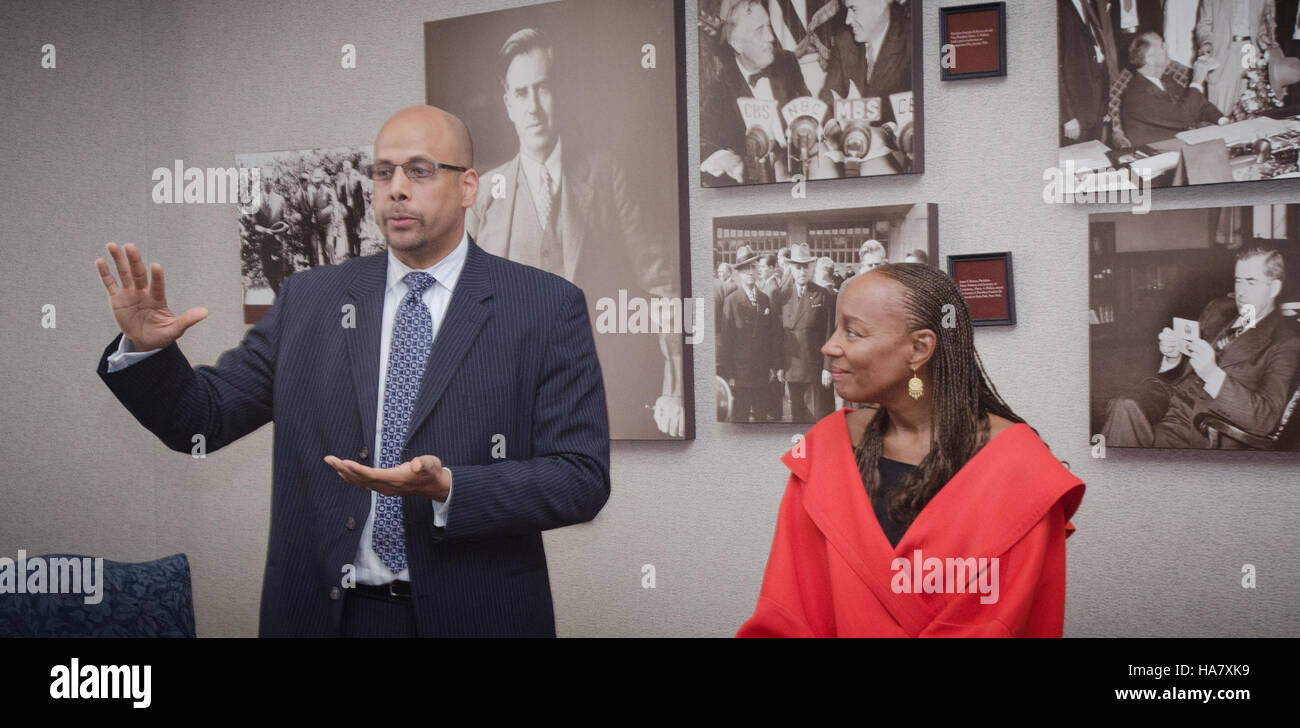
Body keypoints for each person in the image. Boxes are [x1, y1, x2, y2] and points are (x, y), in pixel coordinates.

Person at [94, 105, 611, 637]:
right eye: (384, 172)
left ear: (468, 186)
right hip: (328, 616)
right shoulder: (309, 299)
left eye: (421, 170)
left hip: (474, 614)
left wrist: (450, 486)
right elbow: (203, 419)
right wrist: (146, 349)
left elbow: (581, 478)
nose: (397, 189)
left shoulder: (545, 307)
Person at [737, 263, 1085, 636]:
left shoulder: (1021, 471)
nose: (829, 346)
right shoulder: (824, 450)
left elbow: (1003, 624)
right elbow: (786, 609)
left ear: (919, 348)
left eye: (852, 333)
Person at [467, 28, 684, 438]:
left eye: (543, 89)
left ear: (559, 93)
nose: (533, 107)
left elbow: (664, 286)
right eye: (521, 93)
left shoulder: (607, 174)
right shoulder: (483, 195)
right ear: (508, 104)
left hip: (604, 401)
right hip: (507, 413)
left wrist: (674, 389)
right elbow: (462, 313)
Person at [1102, 246, 1300, 449]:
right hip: (1169, 404)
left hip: (1204, 430)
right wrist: (1172, 357)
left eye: (1251, 282)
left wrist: (1212, 374)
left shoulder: (1285, 344)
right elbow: (1179, 374)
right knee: (1123, 406)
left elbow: (1266, 419)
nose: (1241, 292)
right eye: (1238, 280)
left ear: (1274, 288)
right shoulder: (1218, 309)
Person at [701, 0, 812, 185]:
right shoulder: (719, 88)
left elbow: (807, 111)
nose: (770, 37)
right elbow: (699, 141)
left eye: (768, 26)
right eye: (759, 30)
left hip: (800, 172)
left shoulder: (787, 62)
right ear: (737, 45)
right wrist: (725, 159)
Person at [1120, 32, 1227, 148]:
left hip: (1182, 146)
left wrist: (1223, 120)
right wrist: (1197, 80)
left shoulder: (1166, 80)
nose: (1167, 47)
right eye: (1162, 46)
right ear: (1150, 59)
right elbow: (1182, 117)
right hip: (1157, 156)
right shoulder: (1136, 96)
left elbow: (1199, 105)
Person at [720, 246, 782, 422]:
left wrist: (773, 366)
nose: (749, 272)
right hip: (740, 375)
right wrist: (729, 374)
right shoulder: (731, 301)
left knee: (761, 418)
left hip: (762, 373)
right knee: (740, 418)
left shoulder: (764, 299)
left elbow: (771, 336)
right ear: (738, 273)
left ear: (757, 271)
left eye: (753, 268)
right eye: (745, 269)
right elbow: (726, 341)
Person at [777, 244, 836, 423]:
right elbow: (778, 335)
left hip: (815, 369)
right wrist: (779, 365)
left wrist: (827, 367)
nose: (802, 271)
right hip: (792, 367)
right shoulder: (782, 296)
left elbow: (829, 333)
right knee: (797, 418)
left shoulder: (822, 294)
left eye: (805, 266)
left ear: (811, 268)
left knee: (817, 418)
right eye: (798, 267)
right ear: (791, 269)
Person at [1196, 0, 1278, 118]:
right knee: (1221, 109)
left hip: (1250, 50)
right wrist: (1206, 42)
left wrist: (1264, 38)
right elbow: (1204, 24)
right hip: (1223, 53)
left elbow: (1262, 26)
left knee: (1251, 106)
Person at [1059, 0, 1113, 145]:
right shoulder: (1059, 8)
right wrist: (1067, 117)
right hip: (1075, 117)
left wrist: (1104, 106)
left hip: (1094, 110)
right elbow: (1054, 70)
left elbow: (1097, 56)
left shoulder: (1088, 6)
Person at [243, 174, 289, 295]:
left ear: (273, 181)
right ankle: (278, 295)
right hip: (264, 241)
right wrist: (264, 230)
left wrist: (284, 228)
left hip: (278, 240)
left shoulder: (280, 199)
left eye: (271, 179)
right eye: (266, 179)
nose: (269, 181)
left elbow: (286, 221)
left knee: (281, 271)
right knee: (268, 272)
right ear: (263, 181)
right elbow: (254, 225)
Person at [291, 167, 337, 268]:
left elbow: (333, 205)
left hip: (328, 223)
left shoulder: (327, 190)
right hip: (316, 225)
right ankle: (325, 269)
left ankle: (333, 267)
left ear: (321, 181)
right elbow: (305, 208)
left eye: (318, 181)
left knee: (329, 246)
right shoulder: (309, 192)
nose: (316, 183)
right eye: (315, 182)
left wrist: (324, 212)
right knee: (317, 249)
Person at [335, 157, 368, 260]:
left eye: (348, 167)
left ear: (351, 168)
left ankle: (357, 253)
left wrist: (363, 214)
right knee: (349, 232)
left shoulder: (357, 181)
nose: (347, 169)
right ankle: (352, 255)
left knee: (357, 231)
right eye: (345, 168)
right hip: (347, 210)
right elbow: (339, 199)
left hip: (356, 210)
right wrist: (342, 208)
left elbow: (361, 198)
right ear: (343, 169)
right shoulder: (341, 182)